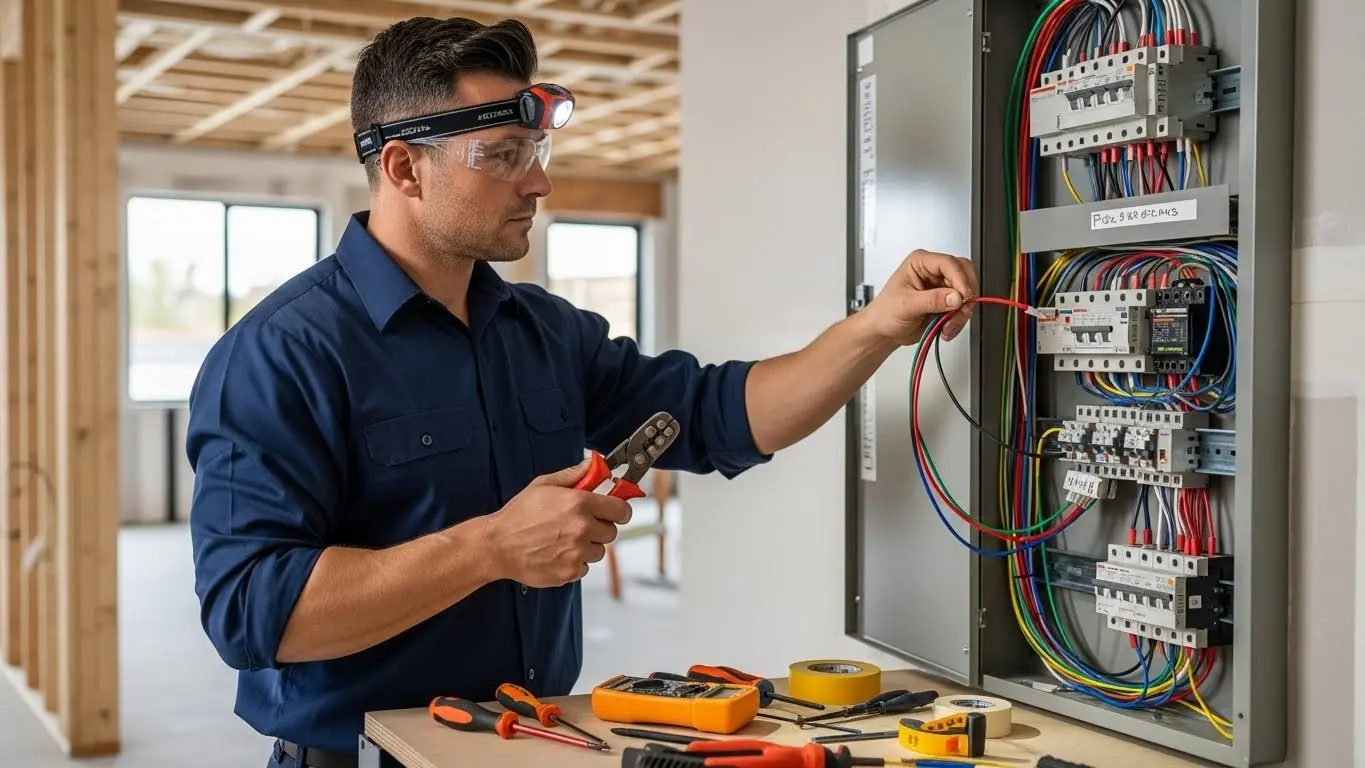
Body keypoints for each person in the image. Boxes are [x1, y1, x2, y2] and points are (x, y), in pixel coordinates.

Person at [186, 15, 979, 768]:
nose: (539, 181)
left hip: (532, 740)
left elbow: (721, 415)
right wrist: (491, 547)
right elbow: (253, 612)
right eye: (500, 154)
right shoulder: (280, 354)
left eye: (535, 149)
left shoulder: (542, 331)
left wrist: (875, 327)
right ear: (403, 168)